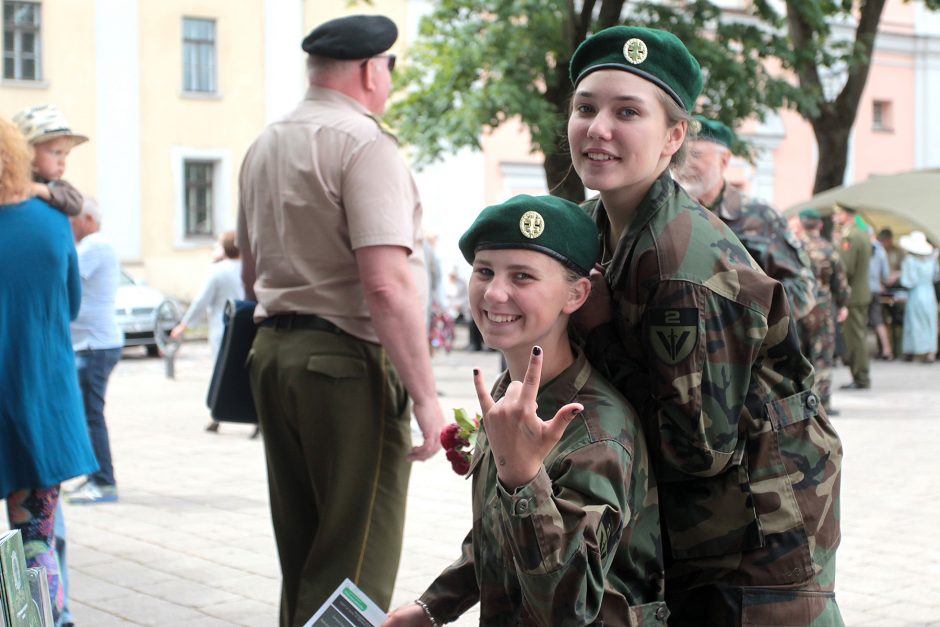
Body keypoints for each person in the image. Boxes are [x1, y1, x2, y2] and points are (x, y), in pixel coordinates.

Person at [567, 26, 844, 625]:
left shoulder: (682, 267)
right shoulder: (603, 223)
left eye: (627, 112)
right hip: (700, 536)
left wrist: (600, 333)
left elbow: (697, 449)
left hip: (755, 554)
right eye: (585, 108)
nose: (598, 128)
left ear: (673, 138)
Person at [235, 14, 445, 626]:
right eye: (389, 68)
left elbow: (251, 278)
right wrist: (427, 398)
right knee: (355, 561)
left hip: (274, 354)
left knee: (303, 552)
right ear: (370, 70)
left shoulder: (264, 144)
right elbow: (385, 281)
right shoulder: (363, 143)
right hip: (346, 363)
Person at [385, 195, 667, 626]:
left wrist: (523, 478)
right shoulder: (511, 396)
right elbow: (497, 538)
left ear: (576, 294)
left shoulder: (595, 432)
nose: (495, 292)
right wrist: (432, 607)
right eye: (484, 271)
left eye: (522, 276)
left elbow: (568, 610)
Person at [0, 115, 98, 625]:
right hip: (35, 403)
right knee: (32, 539)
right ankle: (33, 620)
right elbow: (70, 303)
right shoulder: (49, 222)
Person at [675, 116, 817, 324]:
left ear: (724, 160)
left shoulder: (760, 216)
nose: (686, 165)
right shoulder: (670, 214)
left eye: (696, 155)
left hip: (743, 349)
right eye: (681, 155)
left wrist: (749, 318)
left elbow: (804, 289)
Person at [63, 196, 124, 505]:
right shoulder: (95, 245)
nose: (69, 226)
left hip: (94, 347)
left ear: (87, 219)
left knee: (91, 415)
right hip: (92, 344)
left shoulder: (95, 245)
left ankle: (104, 482)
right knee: (88, 414)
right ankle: (94, 476)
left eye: (72, 220)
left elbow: (65, 278)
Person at [170, 230, 246, 434]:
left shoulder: (218, 271)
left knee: (221, 373)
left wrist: (184, 325)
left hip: (222, 329)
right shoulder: (249, 268)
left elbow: (201, 301)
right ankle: (254, 419)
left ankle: (217, 414)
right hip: (246, 327)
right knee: (245, 371)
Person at [798, 209, 850, 416]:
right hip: (822, 308)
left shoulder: (792, 247)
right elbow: (841, 283)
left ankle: (797, 402)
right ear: (819, 225)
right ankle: (823, 405)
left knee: (797, 355)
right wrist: (843, 303)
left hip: (797, 308)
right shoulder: (829, 250)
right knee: (822, 356)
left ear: (801, 224)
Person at [12, 103, 88, 217]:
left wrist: (41, 190)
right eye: (56, 152)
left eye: (65, 154)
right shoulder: (11, 180)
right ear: (27, 151)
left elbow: (76, 202)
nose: (62, 162)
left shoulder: (57, 186)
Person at [832, 204, 873, 390]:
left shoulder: (850, 236)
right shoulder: (861, 233)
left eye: (837, 213)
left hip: (853, 295)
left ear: (845, 214)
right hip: (861, 292)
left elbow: (845, 267)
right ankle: (860, 376)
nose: (835, 217)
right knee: (859, 335)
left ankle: (861, 377)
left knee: (854, 338)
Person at [898, 230, 939, 362]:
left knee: (914, 322)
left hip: (916, 293)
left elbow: (909, 281)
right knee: (930, 322)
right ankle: (930, 351)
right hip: (929, 292)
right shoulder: (932, 260)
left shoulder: (909, 260)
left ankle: (915, 350)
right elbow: (936, 276)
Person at [868, 231, 893, 359]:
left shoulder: (859, 247)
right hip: (875, 289)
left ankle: (858, 353)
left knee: (859, 322)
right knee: (878, 320)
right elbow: (886, 275)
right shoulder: (881, 251)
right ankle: (887, 350)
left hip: (860, 290)